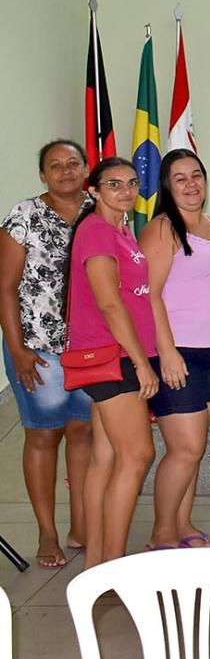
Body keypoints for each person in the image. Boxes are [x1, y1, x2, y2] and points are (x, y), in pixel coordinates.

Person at [0, 140, 92, 568]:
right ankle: (47, 533)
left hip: (89, 347)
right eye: (55, 166)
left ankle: (80, 526)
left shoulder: (101, 210)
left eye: (73, 163)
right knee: (43, 435)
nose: (66, 171)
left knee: (83, 433)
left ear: (86, 168)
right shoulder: (23, 216)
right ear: (43, 175)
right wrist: (17, 348)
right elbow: (5, 289)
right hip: (37, 348)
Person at [141, 150, 210, 550]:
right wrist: (166, 352)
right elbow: (149, 294)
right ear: (167, 186)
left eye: (196, 175)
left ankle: (183, 525)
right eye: (180, 178)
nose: (191, 184)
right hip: (177, 353)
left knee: (193, 449)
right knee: (186, 448)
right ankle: (161, 534)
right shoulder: (163, 228)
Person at [66, 157, 160, 567]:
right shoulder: (97, 231)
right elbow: (108, 304)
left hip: (117, 355)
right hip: (114, 357)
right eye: (114, 184)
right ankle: (115, 566)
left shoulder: (119, 230)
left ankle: (96, 565)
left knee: (105, 460)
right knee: (136, 456)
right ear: (94, 190)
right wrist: (141, 361)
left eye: (132, 183)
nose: (126, 191)